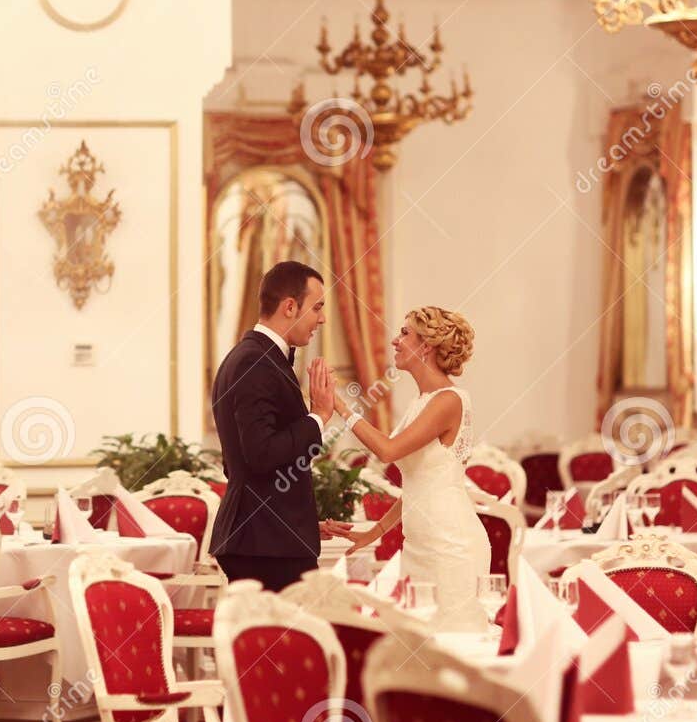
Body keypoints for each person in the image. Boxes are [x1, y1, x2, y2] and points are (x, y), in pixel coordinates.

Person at [319, 306, 490, 631]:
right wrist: (375, 531)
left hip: (450, 545)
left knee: (452, 646)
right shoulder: (421, 402)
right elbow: (420, 483)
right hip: (419, 544)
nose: (395, 341)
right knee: (419, 648)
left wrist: (339, 405)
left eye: (405, 333)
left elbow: (387, 451)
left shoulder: (449, 400)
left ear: (426, 346)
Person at [208, 260, 337, 592]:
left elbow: (238, 462)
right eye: (317, 307)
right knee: (288, 641)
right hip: (266, 546)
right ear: (290, 307)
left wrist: (298, 518)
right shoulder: (255, 361)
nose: (322, 318)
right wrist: (319, 416)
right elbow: (261, 454)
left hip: (266, 537)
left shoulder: (250, 355)